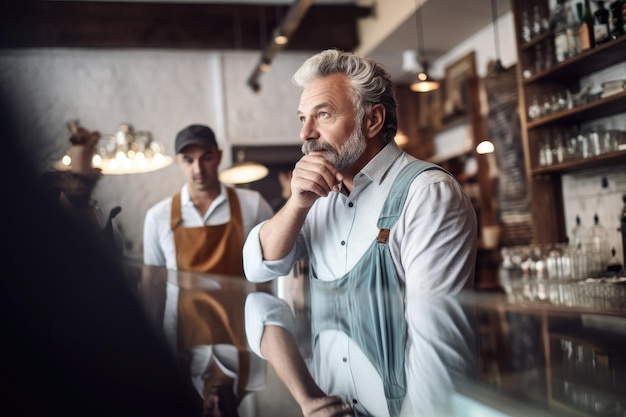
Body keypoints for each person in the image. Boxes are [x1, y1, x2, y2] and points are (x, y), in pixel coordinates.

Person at [242, 49, 477, 415]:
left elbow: (438, 351)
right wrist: (296, 203)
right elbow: (258, 269)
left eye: (323, 114)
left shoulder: (426, 194)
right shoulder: (317, 201)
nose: (306, 133)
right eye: (303, 118)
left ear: (373, 120)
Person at [143, 124, 274, 274]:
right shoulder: (157, 216)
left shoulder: (253, 204)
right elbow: (153, 283)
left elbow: (277, 258)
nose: (198, 169)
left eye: (207, 158)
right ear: (178, 162)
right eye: (188, 160)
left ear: (219, 156)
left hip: (241, 298)